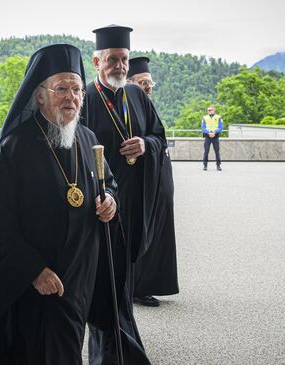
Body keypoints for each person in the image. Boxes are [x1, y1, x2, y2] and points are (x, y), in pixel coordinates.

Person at [0, 44, 120, 365]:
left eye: (76, 89)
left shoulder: (85, 139)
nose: (71, 97)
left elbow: (107, 184)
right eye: (61, 89)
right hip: (35, 286)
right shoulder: (15, 147)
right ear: (40, 95)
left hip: (78, 281)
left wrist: (111, 201)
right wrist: (32, 269)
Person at [82, 24, 168, 365]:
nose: (120, 66)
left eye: (124, 60)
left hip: (134, 206)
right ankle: (115, 353)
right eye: (113, 59)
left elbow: (160, 136)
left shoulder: (137, 95)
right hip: (102, 208)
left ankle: (116, 350)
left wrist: (145, 144)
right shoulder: (85, 98)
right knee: (107, 285)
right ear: (97, 60)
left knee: (123, 283)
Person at [127, 56, 179, 308]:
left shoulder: (147, 105)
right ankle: (138, 287)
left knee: (158, 236)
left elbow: (159, 138)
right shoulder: (125, 107)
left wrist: (147, 143)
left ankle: (153, 283)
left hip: (158, 181)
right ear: (129, 83)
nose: (148, 87)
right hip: (141, 184)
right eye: (142, 82)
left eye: (150, 83)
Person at [202, 105, 223, 171]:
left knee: (217, 151)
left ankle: (218, 165)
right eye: (208, 110)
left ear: (214, 110)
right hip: (207, 136)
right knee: (206, 151)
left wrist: (214, 132)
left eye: (210, 110)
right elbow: (203, 127)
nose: (209, 111)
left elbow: (221, 127)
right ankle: (205, 165)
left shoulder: (219, 117)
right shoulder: (204, 118)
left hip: (215, 136)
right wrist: (208, 133)